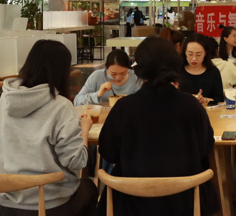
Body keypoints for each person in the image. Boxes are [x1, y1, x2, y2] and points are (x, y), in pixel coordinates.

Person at [97, 37, 219, 216]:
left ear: (139, 70)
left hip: (132, 205)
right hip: (186, 203)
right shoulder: (191, 105)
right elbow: (205, 147)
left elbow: (108, 152)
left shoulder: (124, 107)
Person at [0, 40, 97, 216]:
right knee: (89, 188)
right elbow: (77, 162)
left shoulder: (5, 99)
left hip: (2, 201)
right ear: (62, 71)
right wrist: (84, 130)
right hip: (46, 203)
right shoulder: (61, 106)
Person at [74, 49, 141, 106]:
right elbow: (77, 102)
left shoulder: (136, 78)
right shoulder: (97, 76)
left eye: (123, 73)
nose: (118, 78)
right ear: (106, 68)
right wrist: (97, 94)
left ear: (128, 69)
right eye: (113, 74)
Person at [180, 33, 225, 105]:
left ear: (205, 53)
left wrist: (204, 100)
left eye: (198, 54)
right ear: (185, 52)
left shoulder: (213, 72)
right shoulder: (177, 70)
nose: (194, 59)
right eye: (190, 54)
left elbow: (219, 99)